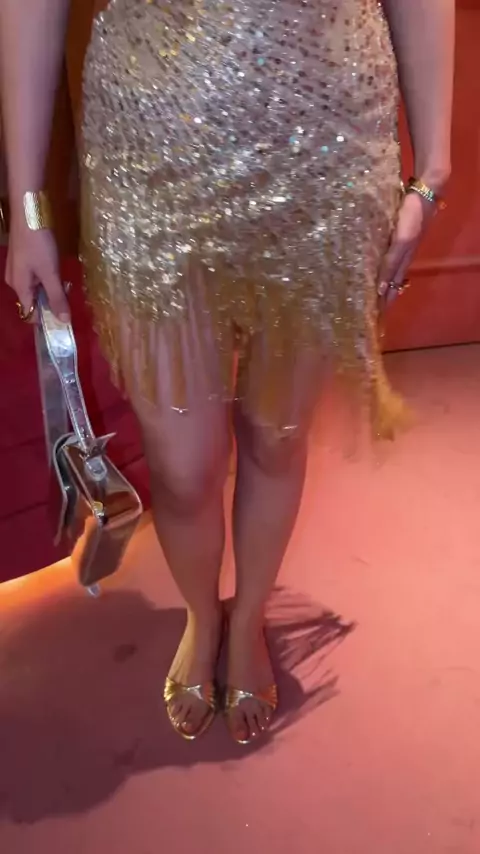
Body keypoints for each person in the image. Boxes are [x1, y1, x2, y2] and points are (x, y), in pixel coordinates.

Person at [0, 0, 454, 744]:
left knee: (277, 436)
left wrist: (431, 166)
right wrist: (27, 206)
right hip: (147, 147)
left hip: (331, 145)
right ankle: (201, 615)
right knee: (182, 471)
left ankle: (245, 620)